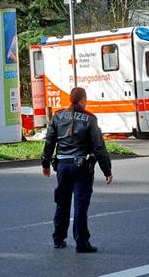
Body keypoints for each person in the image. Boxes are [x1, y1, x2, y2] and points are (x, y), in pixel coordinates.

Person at [41, 87, 112, 253]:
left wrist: (45, 163)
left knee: (62, 202)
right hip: (82, 167)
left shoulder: (57, 116)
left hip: (63, 166)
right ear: (83, 100)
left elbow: (49, 142)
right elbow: (99, 147)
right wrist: (107, 169)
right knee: (80, 205)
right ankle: (82, 243)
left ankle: (58, 238)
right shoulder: (89, 119)